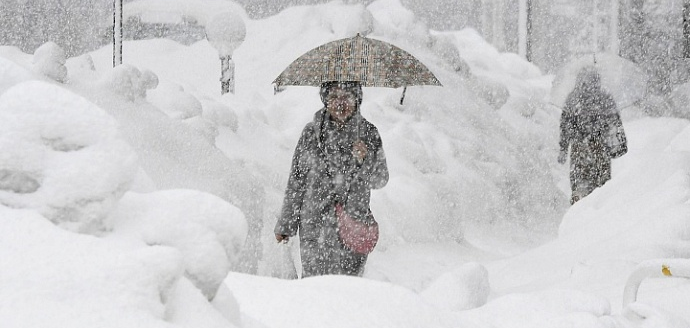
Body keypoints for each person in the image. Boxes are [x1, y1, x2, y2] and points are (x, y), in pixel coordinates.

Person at [274, 81, 389, 277]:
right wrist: (286, 224)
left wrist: (366, 159)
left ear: (357, 99)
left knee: (348, 292)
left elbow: (381, 179)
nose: (340, 103)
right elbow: (297, 180)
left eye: (347, 97)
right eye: (334, 97)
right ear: (325, 100)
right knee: (314, 290)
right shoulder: (311, 133)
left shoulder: (369, 133)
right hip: (314, 227)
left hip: (352, 225)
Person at [558, 66, 626, 204]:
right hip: (601, 149)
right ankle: (598, 215)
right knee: (602, 188)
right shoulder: (605, 98)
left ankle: (578, 213)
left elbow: (565, 126)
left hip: (580, 150)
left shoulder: (573, 99)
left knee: (580, 186)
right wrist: (620, 144)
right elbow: (615, 123)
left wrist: (564, 148)